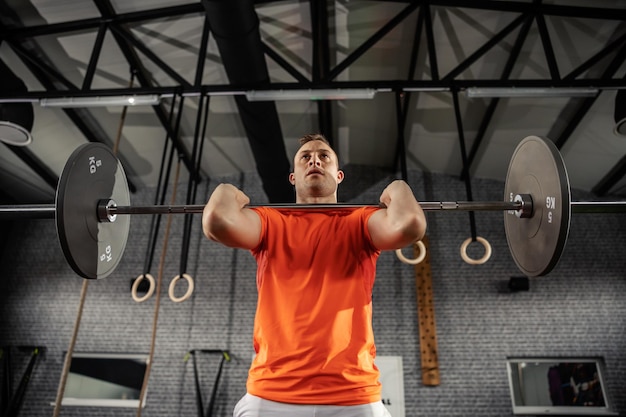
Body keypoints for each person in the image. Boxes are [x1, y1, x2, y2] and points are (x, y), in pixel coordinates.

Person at [202, 133, 426, 417]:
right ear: (293, 177)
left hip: (353, 393)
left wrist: (398, 187)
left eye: (324, 156)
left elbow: (409, 224)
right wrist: (227, 190)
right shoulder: (271, 222)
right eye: (305, 157)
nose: (314, 160)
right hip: (272, 393)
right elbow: (217, 222)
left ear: (339, 175)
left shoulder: (360, 221)